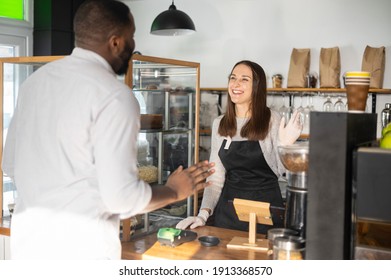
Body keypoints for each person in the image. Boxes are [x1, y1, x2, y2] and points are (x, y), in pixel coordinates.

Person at [2, 0, 214, 259]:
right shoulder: (114, 96)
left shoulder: (33, 84)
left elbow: (10, 165)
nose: (134, 44)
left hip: (28, 247)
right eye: (131, 36)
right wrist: (174, 190)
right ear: (116, 42)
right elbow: (121, 199)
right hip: (80, 253)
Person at [176, 60, 302, 234]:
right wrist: (203, 214)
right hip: (228, 213)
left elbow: (282, 172)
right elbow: (216, 177)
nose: (236, 84)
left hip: (265, 211)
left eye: (244, 79)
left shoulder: (272, 119)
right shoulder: (219, 123)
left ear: (257, 86)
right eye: (233, 78)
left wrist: (286, 146)